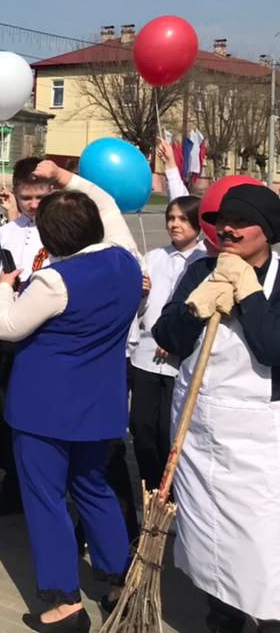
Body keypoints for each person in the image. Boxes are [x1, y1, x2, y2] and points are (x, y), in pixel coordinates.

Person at [0, 161, 142, 630]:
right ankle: (118, 580)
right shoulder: (125, 260)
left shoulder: (56, 281)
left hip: (45, 408)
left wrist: (2, 290)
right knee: (94, 489)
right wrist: (65, 177)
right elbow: (110, 204)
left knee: (47, 499)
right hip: (99, 404)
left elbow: (8, 326)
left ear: (50, 241)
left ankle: (62, 601)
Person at [153, 185, 280, 633]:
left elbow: (272, 348)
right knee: (207, 536)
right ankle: (221, 615)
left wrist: (249, 295)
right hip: (199, 424)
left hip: (257, 438)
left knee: (261, 543)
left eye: (241, 222)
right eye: (224, 220)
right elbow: (167, 336)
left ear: (266, 231)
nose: (227, 229)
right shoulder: (200, 269)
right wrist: (195, 307)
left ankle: (268, 617)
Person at [0, 156, 54, 517]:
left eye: (39, 197)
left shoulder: (59, 228)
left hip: (45, 330)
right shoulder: (7, 232)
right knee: (8, 408)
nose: (32, 205)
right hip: (10, 330)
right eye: (26, 197)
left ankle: (39, 487)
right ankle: (11, 485)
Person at [129, 192, 203, 494]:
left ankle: (171, 490)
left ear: (198, 224)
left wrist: (176, 339)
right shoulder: (156, 256)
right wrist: (141, 292)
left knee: (167, 430)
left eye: (183, 219)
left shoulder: (204, 260)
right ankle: (150, 488)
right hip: (146, 356)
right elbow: (142, 309)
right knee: (142, 427)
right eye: (171, 218)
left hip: (179, 361)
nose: (175, 224)